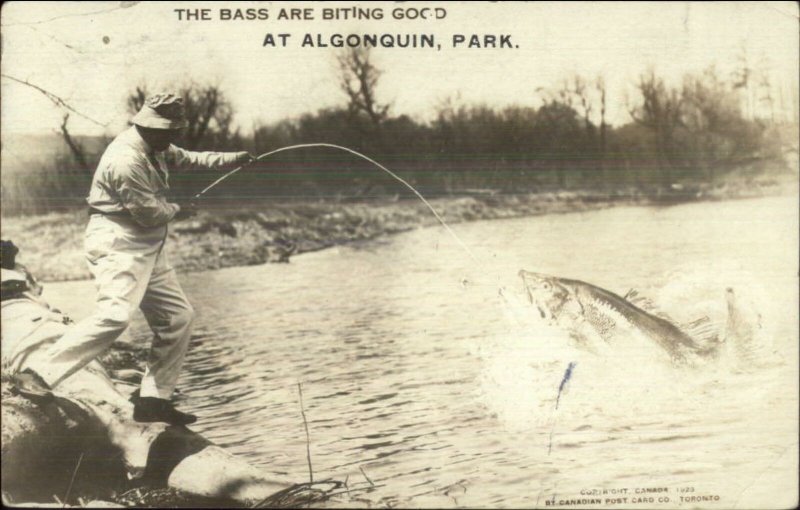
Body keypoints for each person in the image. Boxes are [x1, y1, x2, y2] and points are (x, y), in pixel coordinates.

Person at [12, 93, 253, 426]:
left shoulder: (157, 145)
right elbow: (150, 214)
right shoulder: (126, 160)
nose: (172, 137)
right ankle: (36, 374)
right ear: (146, 125)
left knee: (179, 317)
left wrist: (232, 159)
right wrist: (181, 210)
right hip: (118, 243)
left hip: (148, 245)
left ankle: (153, 400)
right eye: (167, 130)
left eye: (173, 130)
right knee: (115, 315)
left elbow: (190, 159)